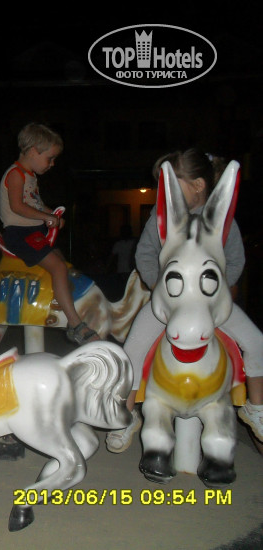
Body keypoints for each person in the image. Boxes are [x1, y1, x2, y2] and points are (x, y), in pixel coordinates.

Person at [106, 148, 263, 453]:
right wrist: (159, 286)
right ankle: (126, 413)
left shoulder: (222, 221)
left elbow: (235, 259)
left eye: (171, 186)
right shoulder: (161, 216)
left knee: (256, 342)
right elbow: (145, 253)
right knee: (133, 348)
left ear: (198, 185)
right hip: (171, 301)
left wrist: (221, 288)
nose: (164, 194)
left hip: (210, 303)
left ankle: (256, 407)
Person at [0, 122, 100, 345]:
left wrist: (52, 214)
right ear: (33, 151)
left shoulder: (30, 176)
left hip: (31, 231)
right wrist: (46, 217)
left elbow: (36, 203)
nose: (52, 164)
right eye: (50, 158)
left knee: (61, 261)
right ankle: (75, 323)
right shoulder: (16, 174)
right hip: (19, 233)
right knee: (58, 267)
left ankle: (64, 304)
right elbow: (17, 206)